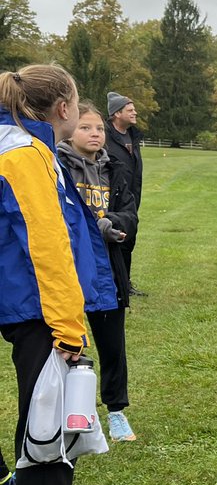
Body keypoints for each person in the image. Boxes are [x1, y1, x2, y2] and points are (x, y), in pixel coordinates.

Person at [0, 65, 117, 485]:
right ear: (64, 107)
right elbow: (47, 245)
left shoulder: (19, 145)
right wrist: (68, 327)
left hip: (23, 301)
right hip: (36, 307)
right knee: (49, 410)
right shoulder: (26, 155)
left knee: (43, 406)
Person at [58, 102, 138, 443]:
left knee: (112, 346)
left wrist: (112, 224)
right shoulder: (56, 168)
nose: (94, 134)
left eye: (99, 129)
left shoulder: (115, 169)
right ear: (70, 130)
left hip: (109, 271)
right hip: (70, 270)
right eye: (85, 127)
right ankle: (68, 413)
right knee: (66, 345)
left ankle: (116, 413)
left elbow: (130, 215)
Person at [105, 92, 144, 295]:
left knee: (129, 239)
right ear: (116, 113)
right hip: (112, 198)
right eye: (130, 110)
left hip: (132, 197)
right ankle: (114, 284)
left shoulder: (133, 136)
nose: (135, 112)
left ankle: (125, 284)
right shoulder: (105, 137)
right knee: (115, 239)